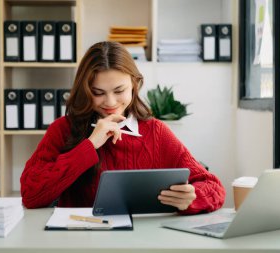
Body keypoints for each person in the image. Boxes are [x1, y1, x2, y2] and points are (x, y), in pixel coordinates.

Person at [20, 41, 225, 214]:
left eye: (119, 90)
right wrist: (89, 146)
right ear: (85, 90)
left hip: (139, 241)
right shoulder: (62, 129)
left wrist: (192, 198)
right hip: (79, 240)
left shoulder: (155, 132)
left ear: (134, 85)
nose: (110, 102)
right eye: (98, 92)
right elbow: (30, 194)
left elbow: (214, 187)